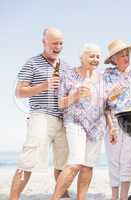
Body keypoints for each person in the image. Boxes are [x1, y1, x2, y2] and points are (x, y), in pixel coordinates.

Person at [9, 27, 69, 200]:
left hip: (62, 119)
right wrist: (44, 85)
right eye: (54, 43)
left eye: (60, 43)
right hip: (41, 116)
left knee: (63, 162)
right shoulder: (33, 62)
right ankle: (13, 197)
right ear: (44, 42)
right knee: (28, 160)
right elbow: (19, 92)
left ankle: (62, 195)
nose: (57, 47)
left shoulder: (65, 66)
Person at [51, 43, 111, 200]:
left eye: (98, 56)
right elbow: (60, 103)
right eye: (92, 56)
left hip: (97, 126)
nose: (95, 59)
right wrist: (75, 96)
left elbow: (106, 105)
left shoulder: (102, 78)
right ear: (81, 57)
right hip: (75, 121)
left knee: (88, 165)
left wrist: (112, 127)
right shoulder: (69, 75)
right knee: (75, 162)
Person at [103, 39, 131, 200]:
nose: (126, 57)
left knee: (128, 159)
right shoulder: (106, 75)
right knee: (114, 160)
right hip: (114, 122)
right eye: (121, 55)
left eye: (127, 54)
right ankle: (114, 196)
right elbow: (104, 104)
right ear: (113, 59)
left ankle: (124, 197)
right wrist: (111, 127)